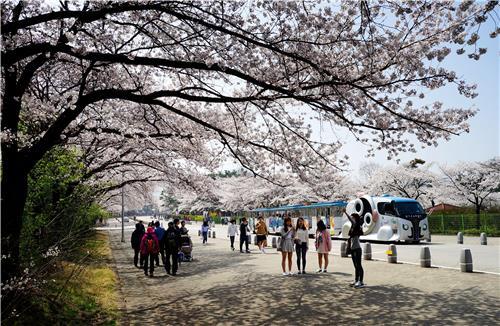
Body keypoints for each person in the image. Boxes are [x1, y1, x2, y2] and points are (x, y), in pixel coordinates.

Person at [347, 212, 365, 288]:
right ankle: (356, 280)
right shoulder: (353, 227)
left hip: (357, 248)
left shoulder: (357, 226)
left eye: (353, 218)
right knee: (355, 265)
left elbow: (351, 220)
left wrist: (345, 213)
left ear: (355, 218)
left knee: (359, 265)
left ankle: (360, 281)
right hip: (353, 248)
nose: (351, 219)